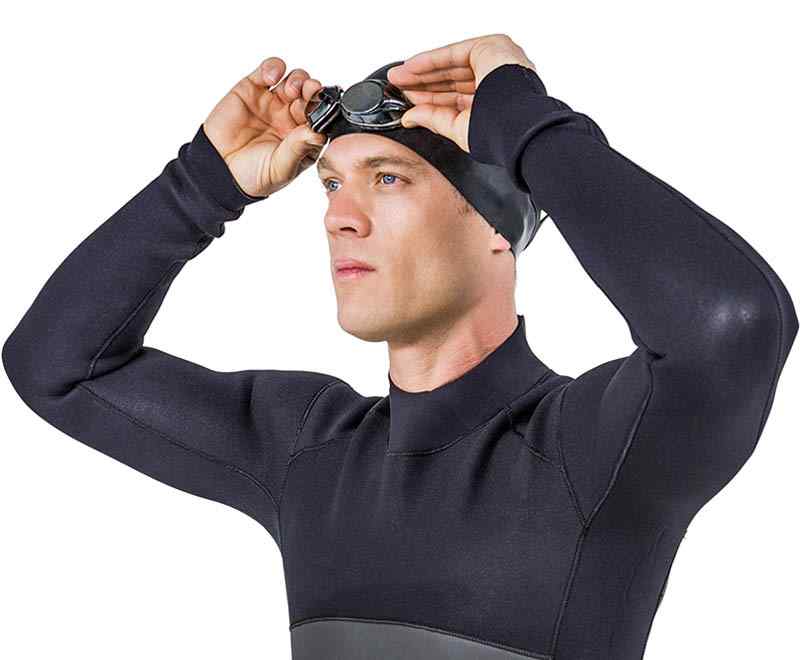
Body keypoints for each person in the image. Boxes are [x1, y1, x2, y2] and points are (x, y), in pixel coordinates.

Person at [3, 33, 797, 660]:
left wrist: (525, 125)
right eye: (331, 184)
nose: (339, 217)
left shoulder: (589, 452)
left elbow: (731, 322)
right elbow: (53, 365)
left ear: (498, 226)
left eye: (387, 179)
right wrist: (201, 183)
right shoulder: (309, 449)